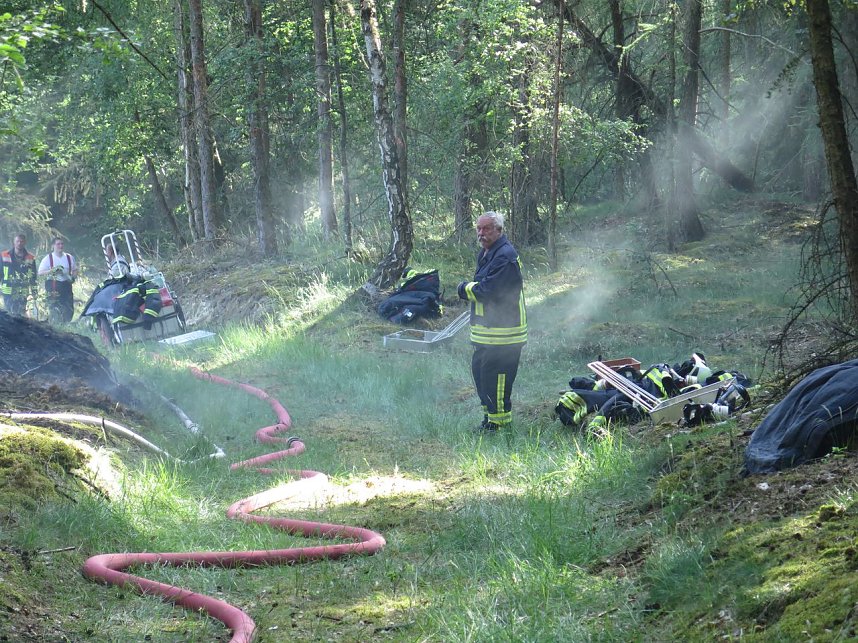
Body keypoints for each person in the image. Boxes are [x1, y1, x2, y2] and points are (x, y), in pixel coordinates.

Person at [457, 211, 527, 432]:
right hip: (487, 335)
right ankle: (489, 419)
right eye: (478, 228)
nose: (481, 233)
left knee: (496, 381)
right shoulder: (488, 252)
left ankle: (499, 427)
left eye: (486, 228)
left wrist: (463, 288)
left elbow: (488, 290)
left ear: (499, 230)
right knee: (482, 376)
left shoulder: (505, 256)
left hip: (504, 336)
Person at [38, 237, 78, 323]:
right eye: (58, 244)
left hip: (66, 285)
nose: (60, 246)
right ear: (53, 246)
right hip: (53, 286)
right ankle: (55, 325)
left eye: (62, 244)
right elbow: (40, 272)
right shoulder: (48, 258)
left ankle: (66, 324)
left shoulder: (69, 257)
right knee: (54, 307)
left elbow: (75, 269)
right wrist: (52, 271)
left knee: (69, 308)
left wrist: (73, 278)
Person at [1, 233, 37, 316]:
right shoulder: (4, 255)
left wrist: (34, 292)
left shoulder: (30, 258)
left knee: (20, 314)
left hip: (22, 290)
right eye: (17, 241)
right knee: (8, 314)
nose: (19, 243)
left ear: (25, 243)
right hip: (8, 290)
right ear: (14, 242)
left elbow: (33, 276)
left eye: (21, 241)